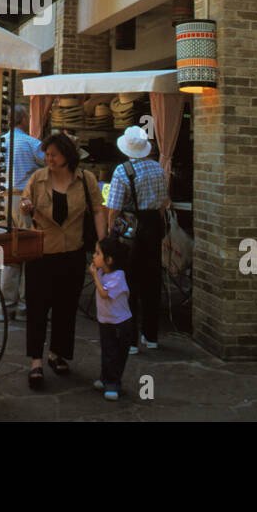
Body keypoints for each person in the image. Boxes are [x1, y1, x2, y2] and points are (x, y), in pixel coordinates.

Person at [19, 132, 105, 389]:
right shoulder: (38, 178)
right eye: (46, 154)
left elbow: (98, 210)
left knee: (66, 308)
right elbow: (25, 200)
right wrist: (25, 205)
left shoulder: (85, 179)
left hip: (72, 253)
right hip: (41, 254)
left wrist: (103, 242)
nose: (49, 159)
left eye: (53, 154)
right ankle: (35, 361)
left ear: (67, 155)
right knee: (37, 308)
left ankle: (57, 354)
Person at [106, 125, 170, 354]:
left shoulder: (122, 172)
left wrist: (109, 233)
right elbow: (164, 203)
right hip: (152, 227)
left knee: (129, 283)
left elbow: (113, 209)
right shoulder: (157, 169)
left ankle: (130, 339)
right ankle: (151, 336)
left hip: (131, 231)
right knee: (151, 282)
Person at [0, 105, 45, 313]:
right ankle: (26, 304)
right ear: (24, 119)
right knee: (28, 251)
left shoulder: (0, 142)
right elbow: (49, 165)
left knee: (7, 252)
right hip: (23, 201)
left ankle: (6, 302)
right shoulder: (32, 143)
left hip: (1, 202)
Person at [90, 236, 132, 401]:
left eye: (97, 253)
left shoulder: (118, 276)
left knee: (116, 353)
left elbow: (104, 293)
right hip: (106, 321)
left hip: (120, 323)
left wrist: (94, 276)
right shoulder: (102, 271)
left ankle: (113, 382)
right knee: (107, 351)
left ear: (109, 259)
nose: (94, 256)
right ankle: (105, 377)